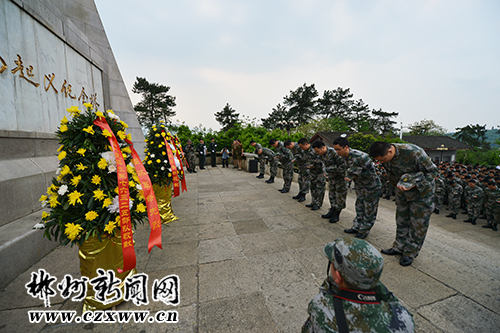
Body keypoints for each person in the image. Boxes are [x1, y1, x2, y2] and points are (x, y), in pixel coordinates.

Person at [302, 237, 415, 333]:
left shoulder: (321, 307)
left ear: (338, 276)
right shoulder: (405, 319)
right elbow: (393, 302)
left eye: (332, 263)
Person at [369, 141, 438, 267]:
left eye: (383, 159)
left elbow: (433, 172)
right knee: (401, 220)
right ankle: (399, 247)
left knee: (418, 224)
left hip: (421, 194)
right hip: (402, 192)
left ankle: (410, 252)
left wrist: (413, 182)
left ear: (390, 151)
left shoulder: (414, 152)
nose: (383, 162)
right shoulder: (385, 158)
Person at [334, 137, 381, 240]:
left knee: (369, 209)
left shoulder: (361, 157)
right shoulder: (343, 157)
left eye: (339, 149)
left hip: (371, 186)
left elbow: (371, 174)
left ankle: (364, 230)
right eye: (335, 150)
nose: (337, 152)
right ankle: (356, 227)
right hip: (359, 186)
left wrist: (356, 174)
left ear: (346, 147)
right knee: (359, 206)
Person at [312, 141, 347, 223]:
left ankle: (337, 214)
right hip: (332, 178)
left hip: (340, 178)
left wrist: (329, 170)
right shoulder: (322, 155)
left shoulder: (334, 153)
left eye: (318, 151)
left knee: (340, 197)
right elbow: (324, 164)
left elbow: (343, 166)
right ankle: (332, 210)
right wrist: (326, 172)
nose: (317, 153)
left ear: (323, 147)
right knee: (332, 195)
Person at [299, 138, 325, 211]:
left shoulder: (315, 150)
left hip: (319, 172)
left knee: (319, 189)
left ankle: (318, 204)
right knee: (313, 188)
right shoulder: (306, 151)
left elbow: (321, 160)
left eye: (302, 147)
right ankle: (313, 202)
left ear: (306, 144)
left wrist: (314, 163)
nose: (301, 148)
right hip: (312, 172)